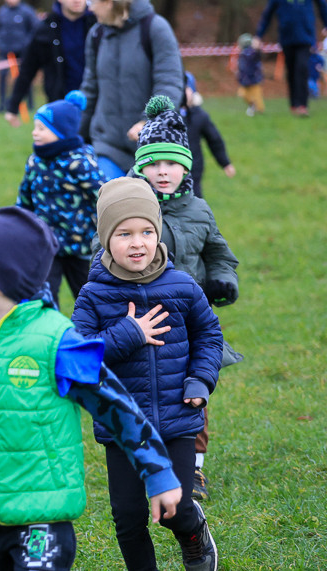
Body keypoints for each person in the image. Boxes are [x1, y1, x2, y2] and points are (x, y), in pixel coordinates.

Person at [0, 207, 182, 571]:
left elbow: (117, 407)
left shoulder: (57, 341)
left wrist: (158, 472)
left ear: (2, 279)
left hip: (40, 518)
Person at [72, 177, 223, 571]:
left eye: (147, 232)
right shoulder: (93, 295)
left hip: (177, 417)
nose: (137, 242)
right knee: (128, 518)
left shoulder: (183, 286)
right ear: (106, 238)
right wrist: (129, 333)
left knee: (175, 508)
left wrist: (200, 380)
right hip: (123, 424)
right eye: (124, 233)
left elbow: (210, 335)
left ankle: (194, 535)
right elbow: (79, 356)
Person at [133, 95, 241, 502]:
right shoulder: (127, 207)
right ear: (141, 167)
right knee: (147, 392)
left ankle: (193, 470)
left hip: (191, 321)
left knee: (194, 392)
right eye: (154, 164)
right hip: (144, 321)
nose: (163, 172)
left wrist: (223, 278)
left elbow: (218, 253)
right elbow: (101, 252)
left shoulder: (199, 210)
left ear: (186, 167)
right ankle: (149, 462)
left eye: (172, 163)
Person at [79, 0, 183, 181]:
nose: (89, 8)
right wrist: (70, 134)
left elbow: (169, 84)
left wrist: (149, 122)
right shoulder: (96, 35)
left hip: (153, 149)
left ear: (108, 2)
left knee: (150, 204)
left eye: (92, 2)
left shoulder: (156, 28)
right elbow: (90, 90)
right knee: (105, 199)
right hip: (106, 146)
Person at [15, 91, 104, 307]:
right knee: (44, 294)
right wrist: (19, 223)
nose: (34, 132)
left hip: (80, 244)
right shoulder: (35, 161)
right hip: (46, 243)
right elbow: (25, 197)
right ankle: (50, 324)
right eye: (35, 127)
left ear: (62, 132)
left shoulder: (80, 163)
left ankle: (92, 324)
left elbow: (102, 195)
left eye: (42, 128)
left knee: (87, 294)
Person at [4, 0, 96, 127]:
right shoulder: (45, 28)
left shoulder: (98, 24)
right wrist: (13, 106)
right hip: (60, 103)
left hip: (95, 104)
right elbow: (28, 69)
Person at [129, 74, 235, 199]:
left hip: (193, 169)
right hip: (163, 166)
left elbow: (214, 140)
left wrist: (225, 163)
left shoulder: (200, 116)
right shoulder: (164, 118)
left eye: (187, 89)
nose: (184, 93)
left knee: (192, 197)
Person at [255, 0, 327, 117]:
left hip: (306, 35)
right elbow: (268, 13)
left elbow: (322, 4)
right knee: (291, 71)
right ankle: (294, 104)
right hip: (287, 36)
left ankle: (302, 106)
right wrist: (259, 35)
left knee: (302, 68)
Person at [0, 0, 38, 113]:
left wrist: (27, 45)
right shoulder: (1, 12)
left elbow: (35, 30)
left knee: (26, 75)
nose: (10, 0)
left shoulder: (27, 11)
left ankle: (30, 103)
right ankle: (2, 104)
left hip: (23, 51)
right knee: (2, 76)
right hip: (5, 50)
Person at [235, 33, 264, 116]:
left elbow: (257, 56)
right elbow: (242, 67)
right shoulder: (242, 54)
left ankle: (260, 111)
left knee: (257, 96)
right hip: (245, 79)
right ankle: (253, 105)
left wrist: (257, 49)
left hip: (254, 78)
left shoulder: (252, 52)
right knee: (242, 93)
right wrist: (238, 74)